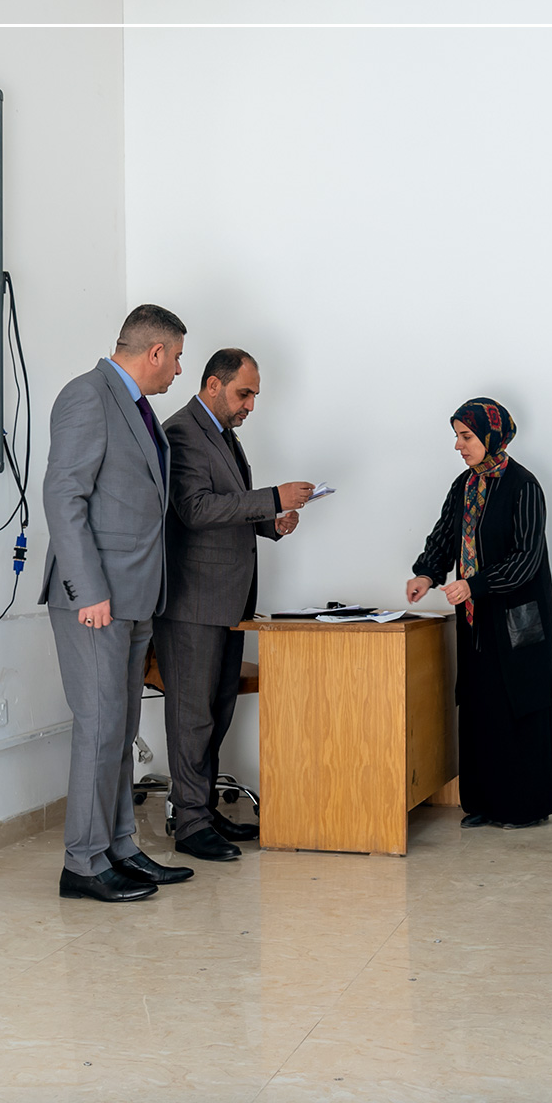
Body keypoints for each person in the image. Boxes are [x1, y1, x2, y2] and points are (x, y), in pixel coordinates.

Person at [40, 305, 196, 902]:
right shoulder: (87, 396)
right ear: (154, 352)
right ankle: (82, 863)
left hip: (135, 598)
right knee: (100, 729)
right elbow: (64, 496)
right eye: (176, 357)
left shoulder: (137, 407)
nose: (178, 369)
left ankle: (119, 848)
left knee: (121, 729)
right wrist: (89, 591)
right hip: (96, 600)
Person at [155, 349, 311, 862]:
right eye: (244, 394)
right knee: (192, 716)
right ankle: (189, 823)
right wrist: (272, 497)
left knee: (218, 710)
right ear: (213, 385)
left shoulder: (223, 435)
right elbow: (195, 509)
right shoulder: (182, 432)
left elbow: (226, 506)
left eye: (254, 396)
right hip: (192, 602)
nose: (250, 405)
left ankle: (203, 810)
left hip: (228, 600)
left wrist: (272, 522)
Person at [406, 398, 552, 829]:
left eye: (466, 436)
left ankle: (523, 808)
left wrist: (475, 584)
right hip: (476, 620)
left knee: (519, 704)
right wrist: (426, 573)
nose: (459, 445)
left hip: (518, 620)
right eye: (457, 436)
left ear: (492, 436)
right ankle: (484, 803)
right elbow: (444, 536)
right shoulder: (464, 485)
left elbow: (526, 557)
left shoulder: (524, 485)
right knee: (480, 704)